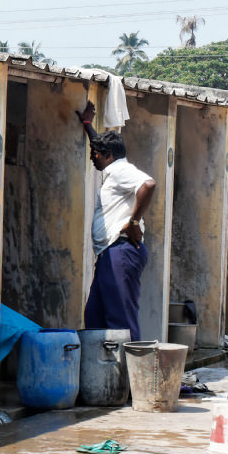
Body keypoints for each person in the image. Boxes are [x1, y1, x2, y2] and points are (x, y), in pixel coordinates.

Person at [77, 101, 155, 339]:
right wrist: (88, 126)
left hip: (120, 250)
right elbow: (101, 147)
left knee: (120, 320)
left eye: (96, 154)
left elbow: (148, 184)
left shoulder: (121, 170)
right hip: (108, 253)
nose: (93, 157)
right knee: (95, 317)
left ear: (109, 156)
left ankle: (129, 375)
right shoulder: (113, 167)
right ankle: (103, 374)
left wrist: (133, 222)